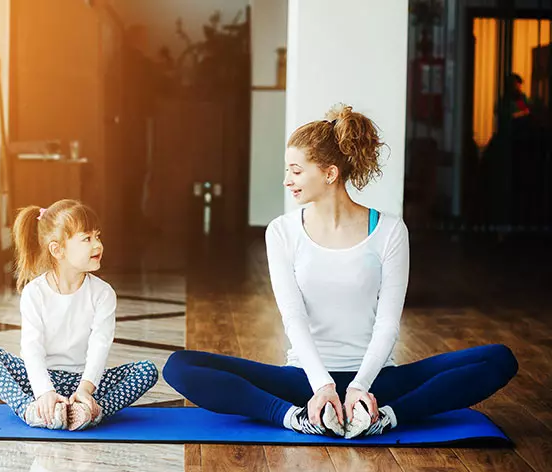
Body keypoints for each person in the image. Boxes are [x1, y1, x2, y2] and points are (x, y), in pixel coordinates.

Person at [163, 104, 518, 438]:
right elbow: (293, 317)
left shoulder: (390, 230)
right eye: (288, 170)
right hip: (304, 380)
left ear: (330, 173)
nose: (287, 180)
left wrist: (360, 387)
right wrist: (323, 387)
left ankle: (383, 417)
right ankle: (298, 418)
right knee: (179, 366)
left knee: (499, 359)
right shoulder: (282, 231)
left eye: (297, 171)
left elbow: (388, 323)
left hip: (378, 380)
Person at [0, 199, 159, 430]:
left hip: (84, 382)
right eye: (87, 239)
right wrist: (45, 392)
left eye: (97, 236)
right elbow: (32, 348)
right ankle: (33, 409)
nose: (97, 245)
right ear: (57, 250)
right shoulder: (34, 293)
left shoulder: (103, 293)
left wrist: (85, 390)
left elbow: (100, 346)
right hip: (41, 380)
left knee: (147, 370)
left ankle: (86, 410)